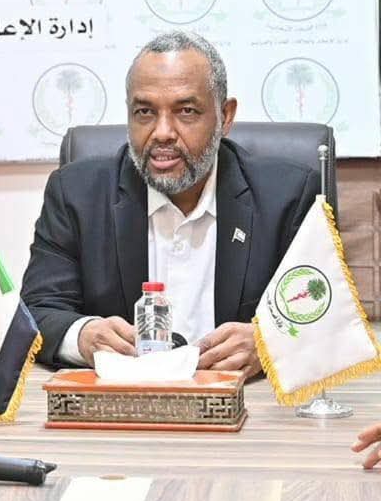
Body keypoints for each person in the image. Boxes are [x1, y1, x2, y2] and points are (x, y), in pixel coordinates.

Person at [20, 31, 320, 376]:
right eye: (145, 112)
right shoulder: (76, 194)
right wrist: (83, 335)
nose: (162, 132)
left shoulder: (288, 195)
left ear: (225, 116)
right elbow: (37, 310)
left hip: (243, 400)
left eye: (186, 111)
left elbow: (322, 312)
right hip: (122, 401)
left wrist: (270, 342)